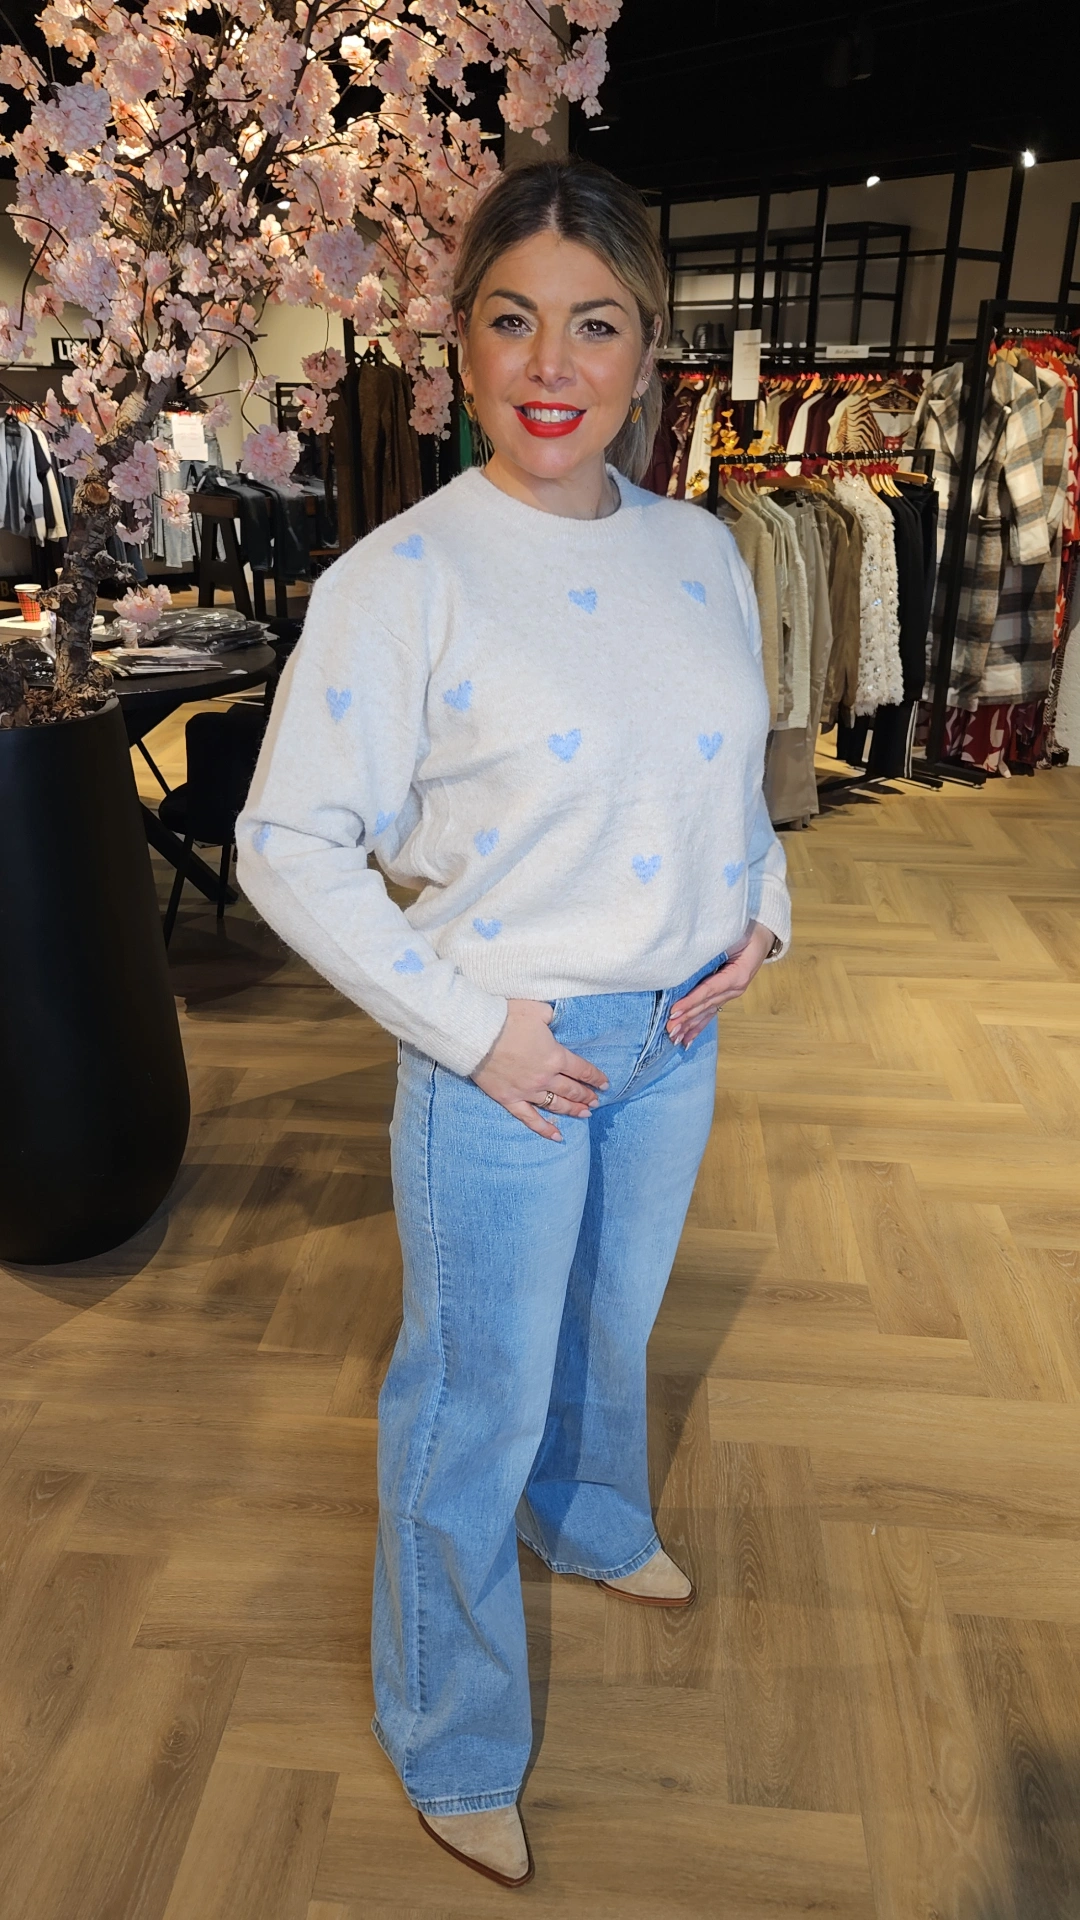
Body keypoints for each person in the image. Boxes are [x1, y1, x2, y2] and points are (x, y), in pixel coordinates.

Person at [237, 158, 789, 1891]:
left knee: (611, 1329)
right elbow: (285, 842)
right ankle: (454, 1733)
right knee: (470, 1402)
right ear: (461, 346)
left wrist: (763, 913)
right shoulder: (400, 579)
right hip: (506, 1061)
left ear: (647, 350)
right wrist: (472, 1031)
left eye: (596, 325)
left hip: (676, 1037)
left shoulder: (702, 552)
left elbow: (732, 778)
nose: (555, 365)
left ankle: (596, 1517)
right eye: (513, 320)